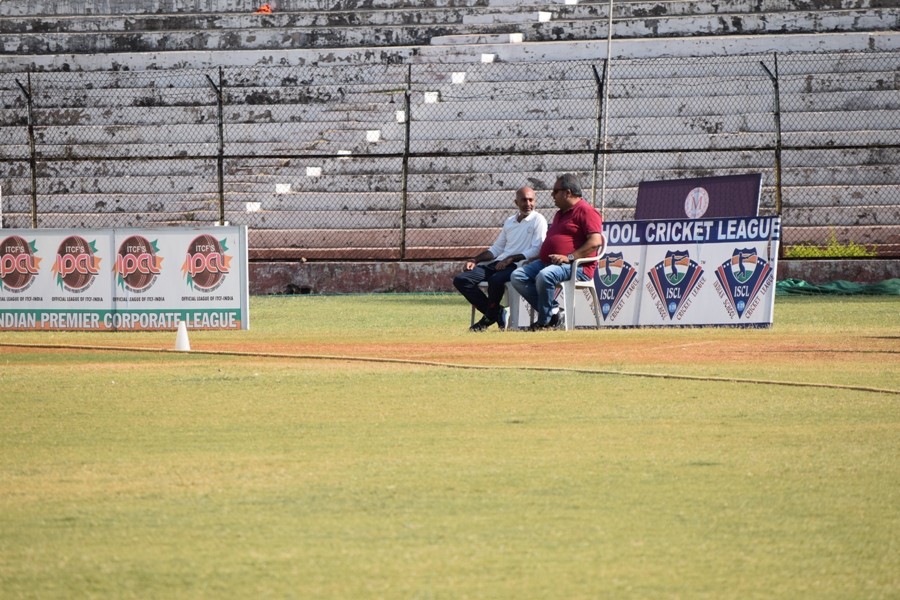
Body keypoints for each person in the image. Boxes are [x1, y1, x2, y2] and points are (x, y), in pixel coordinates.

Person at [510, 173, 603, 330]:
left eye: (555, 191)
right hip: (549, 262)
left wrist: (570, 257)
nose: (552, 195)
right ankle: (554, 312)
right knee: (517, 276)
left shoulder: (587, 211)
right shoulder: (560, 213)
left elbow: (595, 242)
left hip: (577, 267)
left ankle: (544, 321)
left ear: (567, 192)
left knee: (545, 275)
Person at [453, 187, 548, 331]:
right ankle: (496, 313)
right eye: (524, 200)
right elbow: (497, 249)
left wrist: (510, 259)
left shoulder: (538, 219)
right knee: (461, 280)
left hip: (519, 265)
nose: (528, 203)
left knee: (495, 280)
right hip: (501, 263)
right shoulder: (510, 221)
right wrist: (475, 260)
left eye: (531, 200)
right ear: (516, 202)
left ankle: (488, 318)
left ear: (535, 201)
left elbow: (537, 249)